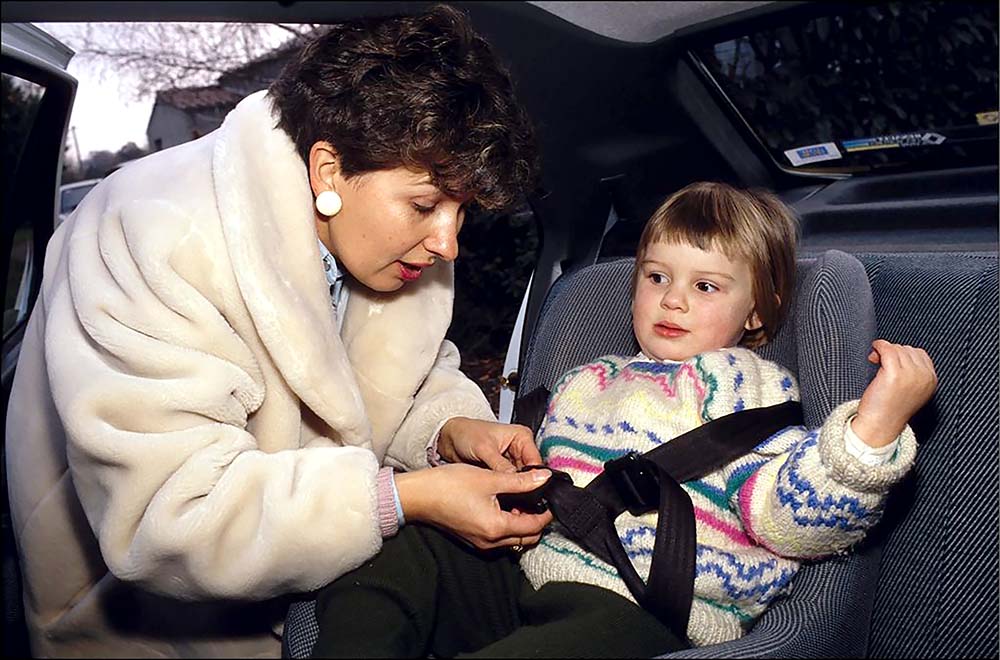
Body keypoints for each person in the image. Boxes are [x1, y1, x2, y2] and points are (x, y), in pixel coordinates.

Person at [5, 6, 556, 658]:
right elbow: (171, 518)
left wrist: (448, 429)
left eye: (461, 211)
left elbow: (399, 377)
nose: (448, 242)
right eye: (426, 204)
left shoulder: (390, 236)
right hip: (141, 630)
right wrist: (404, 499)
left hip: (301, 607)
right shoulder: (152, 234)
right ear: (328, 170)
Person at [309, 181, 938, 658]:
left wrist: (870, 434)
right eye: (657, 276)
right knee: (390, 551)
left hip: (646, 607)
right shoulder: (592, 378)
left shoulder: (747, 390)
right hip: (531, 572)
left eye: (707, 287)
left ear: (757, 310)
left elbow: (789, 520)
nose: (672, 299)